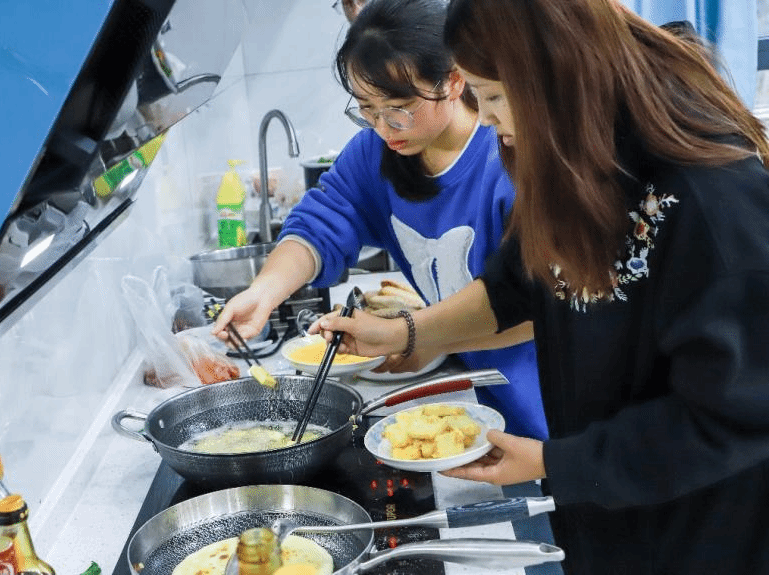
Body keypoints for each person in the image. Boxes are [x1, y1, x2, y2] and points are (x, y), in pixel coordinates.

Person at [314, 0, 769, 572]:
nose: (485, 119)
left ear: (558, 74)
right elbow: (519, 284)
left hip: (702, 533)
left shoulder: (713, 201)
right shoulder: (577, 157)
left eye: (494, 96)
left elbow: (729, 417)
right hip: (604, 514)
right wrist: (405, 333)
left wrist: (557, 463)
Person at [211, 0, 548, 441]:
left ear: (453, 81)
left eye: (398, 108)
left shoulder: (508, 156)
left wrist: (415, 336)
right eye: (367, 110)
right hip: (474, 394)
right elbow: (318, 225)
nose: (385, 128)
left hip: (542, 396)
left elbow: (534, 307)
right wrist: (264, 292)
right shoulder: (374, 154)